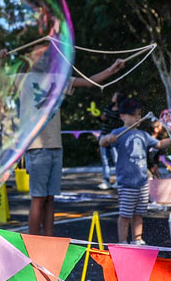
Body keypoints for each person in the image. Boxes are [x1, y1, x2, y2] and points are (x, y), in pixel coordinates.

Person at [25, 58, 127, 236]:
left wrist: (112, 69)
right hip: (36, 146)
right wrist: (3, 60)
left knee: (50, 198)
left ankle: (48, 241)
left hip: (56, 145)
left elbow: (89, 82)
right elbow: (0, 81)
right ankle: (31, 242)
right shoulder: (24, 78)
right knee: (39, 197)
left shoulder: (57, 79)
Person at [99, 98, 171, 244]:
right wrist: (108, 138)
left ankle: (137, 239)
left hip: (142, 182)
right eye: (133, 115)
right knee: (125, 214)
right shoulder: (118, 133)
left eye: (139, 114)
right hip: (126, 182)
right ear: (122, 116)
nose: (137, 118)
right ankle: (122, 241)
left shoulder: (143, 134)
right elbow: (102, 142)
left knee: (139, 213)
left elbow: (158, 144)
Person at [98, 91, 125, 189]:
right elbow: (103, 121)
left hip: (114, 137)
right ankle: (106, 180)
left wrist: (109, 119)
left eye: (115, 95)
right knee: (105, 160)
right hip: (104, 135)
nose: (113, 96)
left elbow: (119, 123)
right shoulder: (108, 107)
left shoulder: (122, 111)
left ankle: (119, 180)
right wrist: (102, 118)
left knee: (116, 159)